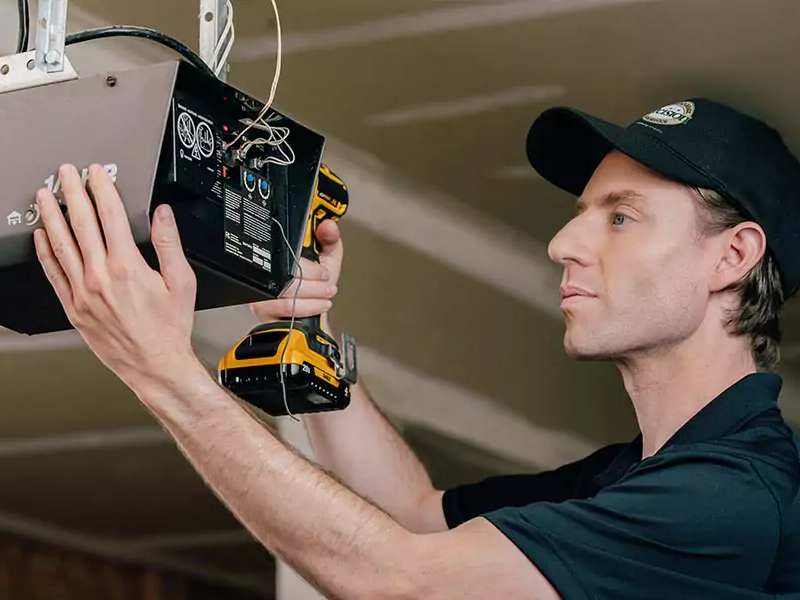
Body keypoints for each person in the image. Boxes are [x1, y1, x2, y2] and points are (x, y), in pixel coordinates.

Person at [31, 97, 800, 600]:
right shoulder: (626, 480)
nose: (563, 241)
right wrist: (305, 332)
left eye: (620, 217)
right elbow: (415, 516)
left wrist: (162, 372)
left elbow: (399, 579)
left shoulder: (729, 501)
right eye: (579, 214)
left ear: (731, 258)